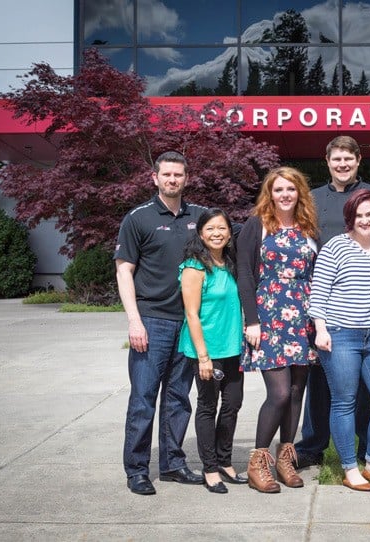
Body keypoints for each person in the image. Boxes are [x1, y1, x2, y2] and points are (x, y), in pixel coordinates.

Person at [295, 135, 370, 469]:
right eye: (336, 159)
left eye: (348, 158)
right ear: (326, 161)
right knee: (319, 381)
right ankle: (313, 445)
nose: (342, 164)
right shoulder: (312, 200)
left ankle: (365, 448)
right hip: (321, 305)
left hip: (365, 309)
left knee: (363, 384)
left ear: (358, 160)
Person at [114, 151, 207, 495]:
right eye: (166, 175)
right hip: (152, 322)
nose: (172, 180)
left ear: (186, 178)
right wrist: (134, 321)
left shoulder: (198, 217)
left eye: (178, 175)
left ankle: (173, 464)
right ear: (154, 178)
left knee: (179, 398)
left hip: (188, 323)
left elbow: (227, 238)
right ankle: (137, 469)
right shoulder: (138, 219)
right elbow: (124, 270)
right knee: (143, 399)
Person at [308, 189, 370, 492]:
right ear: (350, 218)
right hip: (340, 336)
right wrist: (321, 330)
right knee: (344, 402)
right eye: (359, 215)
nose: (365, 220)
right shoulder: (336, 246)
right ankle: (350, 468)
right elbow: (318, 295)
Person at [236, 166, 320, 493]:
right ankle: (257, 464)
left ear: (299, 192)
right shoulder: (256, 226)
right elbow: (244, 274)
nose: (285, 194)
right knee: (280, 392)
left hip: (304, 315)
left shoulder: (309, 227)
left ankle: (286, 457)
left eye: (291, 189)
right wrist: (251, 320)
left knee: (297, 391)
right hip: (269, 314)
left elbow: (319, 272)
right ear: (269, 193)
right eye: (278, 189)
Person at [178, 209, 245, 495]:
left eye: (222, 228)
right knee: (208, 406)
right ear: (201, 233)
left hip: (232, 348)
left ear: (230, 232)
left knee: (233, 404)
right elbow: (191, 315)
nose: (217, 233)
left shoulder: (230, 264)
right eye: (210, 229)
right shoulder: (195, 267)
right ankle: (210, 468)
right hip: (207, 351)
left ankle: (225, 460)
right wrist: (203, 357)